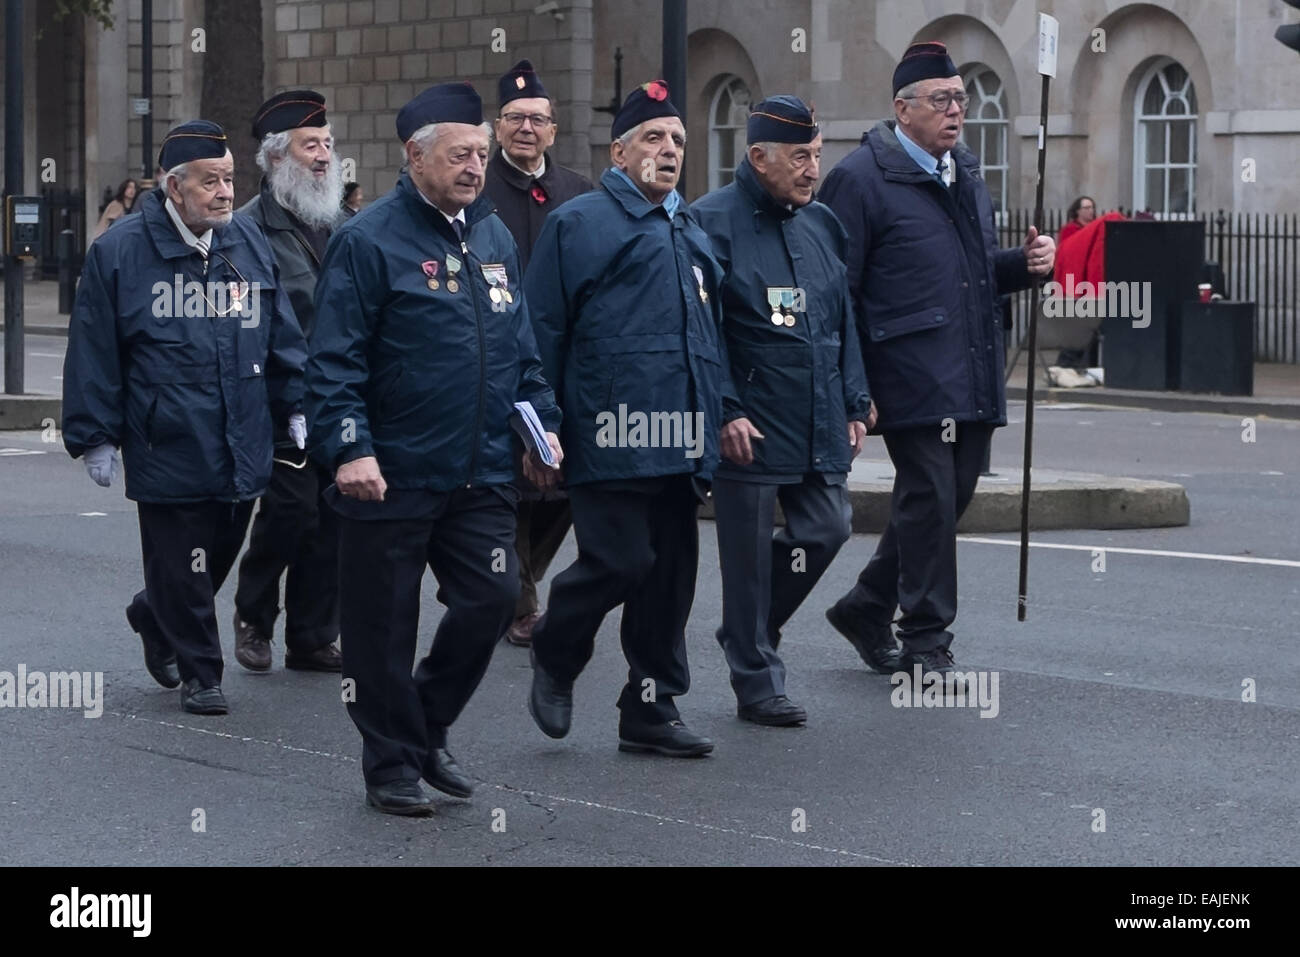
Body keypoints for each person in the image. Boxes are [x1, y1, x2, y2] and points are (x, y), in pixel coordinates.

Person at [306, 82, 562, 816]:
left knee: (490, 597)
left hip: (479, 470)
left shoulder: (492, 238)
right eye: (460, 155)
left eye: (481, 155)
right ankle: (389, 761)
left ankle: (423, 722)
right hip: (391, 472)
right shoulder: (368, 239)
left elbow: (522, 349)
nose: (475, 168)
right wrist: (350, 447)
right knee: (383, 626)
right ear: (414, 156)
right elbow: (334, 361)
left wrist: (542, 425)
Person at [818, 42, 1055, 687]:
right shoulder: (860, 179)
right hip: (908, 370)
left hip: (971, 364)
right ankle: (926, 637)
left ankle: (866, 606)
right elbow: (837, 290)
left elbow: (972, 275)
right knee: (927, 493)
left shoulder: (966, 173)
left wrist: (1024, 267)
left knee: (951, 495)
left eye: (962, 99)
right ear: (903, 108)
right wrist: (850, 384)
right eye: (942, 100)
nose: (956, 112)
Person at [61, 120, 307, 715]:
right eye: (211, 182)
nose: (225, 192)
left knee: (217, 549)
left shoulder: (246, 242)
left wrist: (296, 400)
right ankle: (203, 673)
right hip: (164, 432)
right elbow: (95, 346)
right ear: (175, 188)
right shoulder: (120, 252)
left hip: (241, 428)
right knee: (180, 555)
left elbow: (278, 331)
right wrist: (95, 435)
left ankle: (154, 613)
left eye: (230, 179)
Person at [524, 81, 726, 758]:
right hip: (608, 432)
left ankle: (650, 707)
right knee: (619, 561)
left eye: (677, 140)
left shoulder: (690, 228)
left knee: (669, 579)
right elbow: (541, 333)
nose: (668, 150)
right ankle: (556, 647)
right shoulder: (578, 224)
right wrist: (540, 430)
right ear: (618, 151)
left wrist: (719, 419)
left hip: (681, 436)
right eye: (653, 138)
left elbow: (710, 337)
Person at [691, 95, 876, 727]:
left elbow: (841, 321)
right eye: (799, 157)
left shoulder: (822, 225)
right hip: (748, 420)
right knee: (744, 555)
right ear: (758, 157)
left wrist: (856, 399)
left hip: (817, 411)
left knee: (828, 527)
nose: (811, 169)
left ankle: (750, 628)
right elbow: (702, 331)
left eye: (817, 156)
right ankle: (756, 677)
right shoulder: (708, 223)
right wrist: (723, 410)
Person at [232, 90, 344, 675]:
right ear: (278, 159)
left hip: (339, 397)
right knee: (292, 512)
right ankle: (254, 614)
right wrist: (289, 396)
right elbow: (258, 325)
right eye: (311, 146)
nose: (324, 157)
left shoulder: (347, 225)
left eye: (327, 144)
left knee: (334, 516)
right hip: (278, 399)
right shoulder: (248, 230)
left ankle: (312, 634)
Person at [482, 58, 593, 648]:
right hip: (498, 354)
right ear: (497, 128)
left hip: (565, 356)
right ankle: (520, 600)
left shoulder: (578, 189)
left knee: (562, 481)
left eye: (538, 120)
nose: (527, 128)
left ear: (553, 130)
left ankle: (517, 579)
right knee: (511, 481)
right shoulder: (480, 186)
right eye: (515, 118)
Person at [1054, 195, 1099, 369]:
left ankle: (1086, 364)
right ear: (1077, 211)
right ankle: (1066, 364)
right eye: (1086, 208)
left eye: (1092, 207)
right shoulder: (1070, 230)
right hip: (1075, 284)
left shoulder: (1095, 229)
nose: (1090, 211)